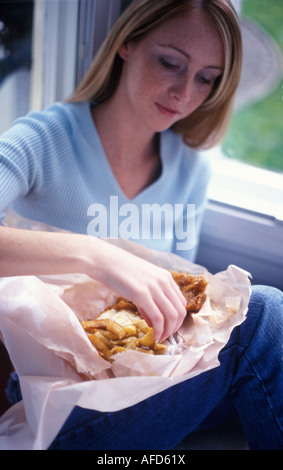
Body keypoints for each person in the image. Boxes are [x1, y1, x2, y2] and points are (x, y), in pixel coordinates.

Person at [0, 0, 282, 450]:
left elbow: (178, 319)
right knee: (266, 310)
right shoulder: (44, 140)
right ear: (127, 43)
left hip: (152, 383)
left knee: (269, 325)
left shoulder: (191, 169)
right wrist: (96, 255)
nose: (184, 93)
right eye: (170, 63)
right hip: (59, 400)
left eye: (206, 78)